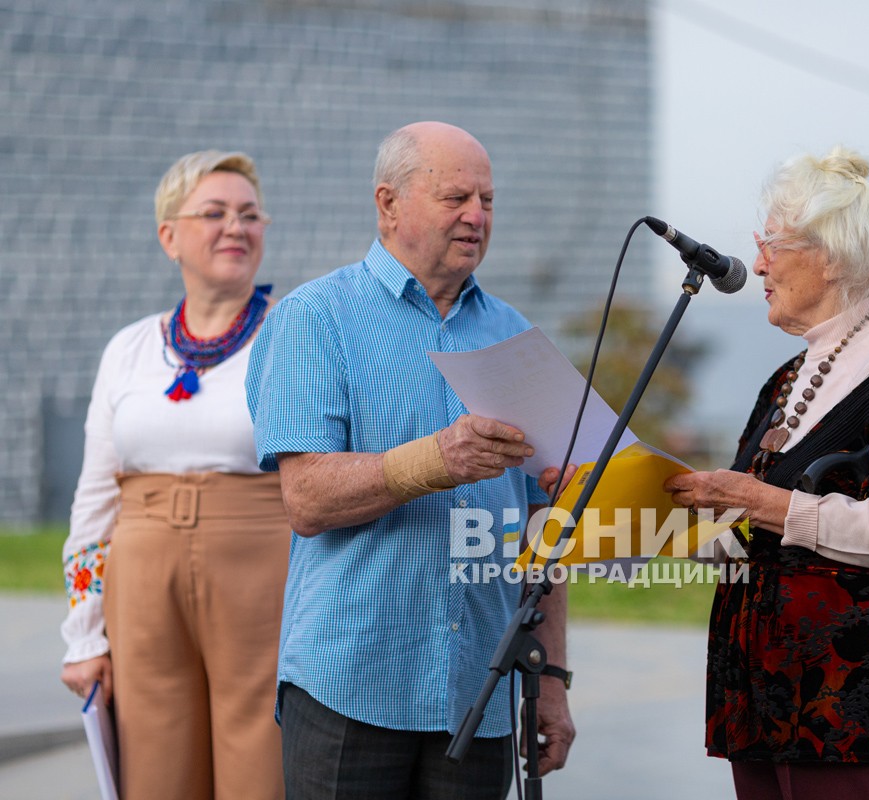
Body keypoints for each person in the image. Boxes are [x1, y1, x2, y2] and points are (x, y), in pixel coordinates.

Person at [245, 121, 575, 799]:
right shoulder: (315, 319)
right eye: (456, 197)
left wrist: (551, 680)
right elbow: (306, 499)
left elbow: (549, 524)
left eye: (487, 200)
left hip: (476, 697)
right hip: (349, 688)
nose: (477, 216)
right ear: (388, 203)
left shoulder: (517, 338)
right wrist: (437, 460)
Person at [664, 146, 869, 800]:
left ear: (833, 254)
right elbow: (738, 537)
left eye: (773, 244)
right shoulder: (788, 379)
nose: (757, 262)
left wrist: (772, 505)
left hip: (853, 708)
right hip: (761, 701)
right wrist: (627, 498)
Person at [59, 150, 288, 799]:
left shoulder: (292, 338)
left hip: (259, 574)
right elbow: (95, 497)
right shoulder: (130, 348)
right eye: (213, 213)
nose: (234, 228)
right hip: (142, 579)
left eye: (249, 215)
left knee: (259, 766)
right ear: (169, 236)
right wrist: (82, 631)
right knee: (154, 768)